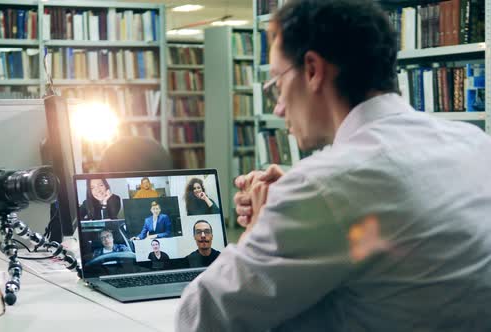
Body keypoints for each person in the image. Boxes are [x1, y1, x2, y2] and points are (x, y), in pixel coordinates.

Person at [176, 1, 491, 331]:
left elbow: (199, 318)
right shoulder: (473, 142)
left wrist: (260, 226)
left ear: (312, 70)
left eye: (277, 83)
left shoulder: (325, 187)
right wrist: (298, 203)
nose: (280, 107)